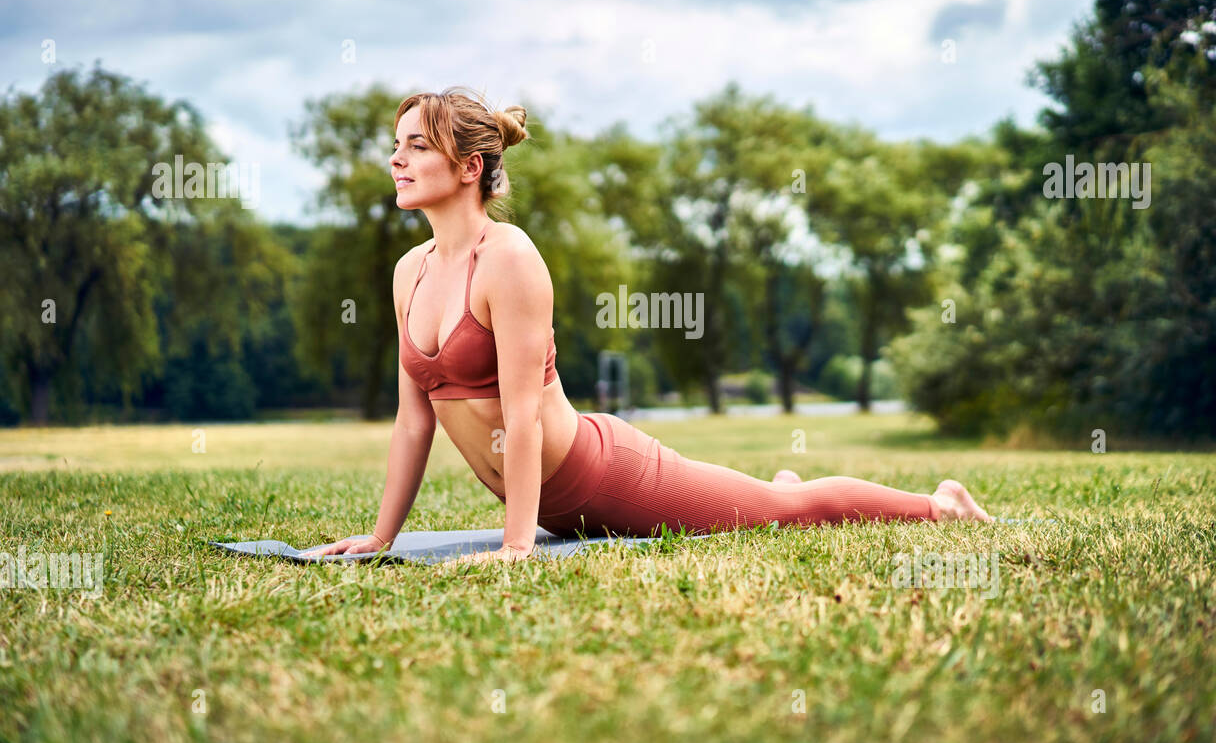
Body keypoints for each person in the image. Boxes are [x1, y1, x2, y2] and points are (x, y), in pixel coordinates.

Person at [305, 87, 990, 567]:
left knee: (793, 514)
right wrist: (380, 537)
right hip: (553, 505)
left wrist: (516, 547)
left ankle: (942, 505)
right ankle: (771, 488)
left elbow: (521, 414)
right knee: (764, 503)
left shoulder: (508, 258)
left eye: (416, 146)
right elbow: (412, 422)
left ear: (468, 166)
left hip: (601, 476)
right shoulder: (410, 271)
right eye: (396, 145)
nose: (395, 159)